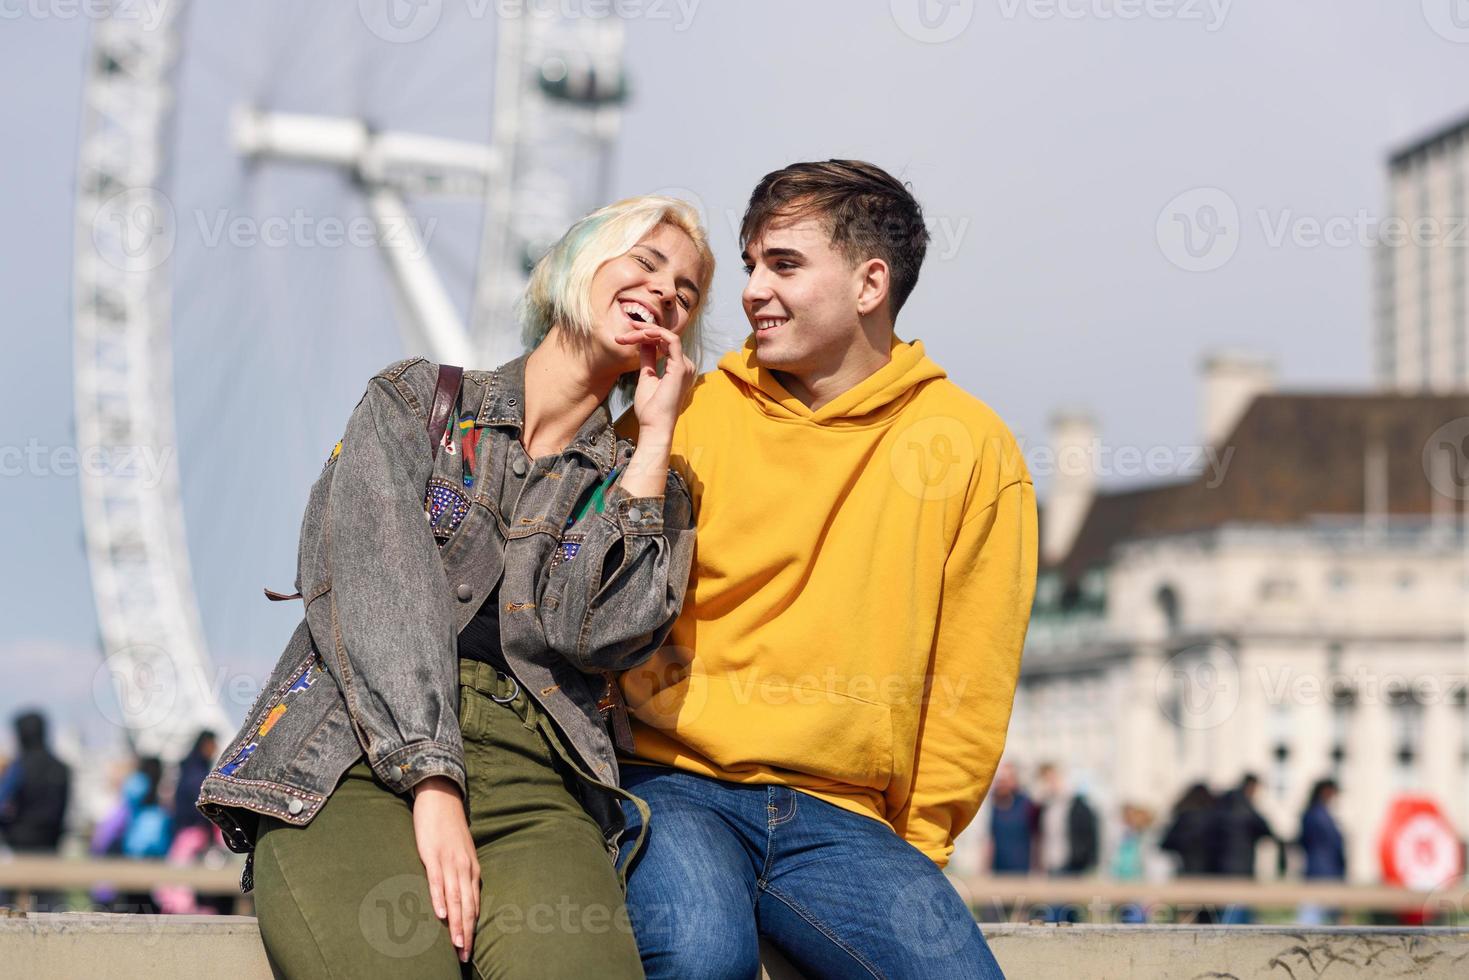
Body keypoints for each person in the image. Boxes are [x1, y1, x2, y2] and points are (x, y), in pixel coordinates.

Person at [197, 195, 711, 977]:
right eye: (646, 261)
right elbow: (376, 595)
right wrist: (432, 781)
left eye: (686, 291)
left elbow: (602, 637)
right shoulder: (414, 406)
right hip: (355, 753)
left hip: (536, 775)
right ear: (578, 264)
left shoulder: (645, 489)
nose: (666, 293)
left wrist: (656, 439)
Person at [614, 160, 1037, 979]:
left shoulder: (971, 447)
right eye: (748, 265)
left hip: (843, 820)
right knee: (701, 961)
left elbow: (971, 676)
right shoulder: (683, 412)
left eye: (783, 263)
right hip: (671, 783)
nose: (749, 291)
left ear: (869, 282)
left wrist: (915, 852)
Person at [0, 710, 71, 912]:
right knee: (50, 910)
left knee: (6, 907)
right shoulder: (61, 768)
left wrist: (8, 828)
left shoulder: (19, 767)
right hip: (49, 847)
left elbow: (2, 800)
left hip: (17, 849)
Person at [1212, 773, 1276, 924]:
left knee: (1228, 911)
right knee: (1237, 912)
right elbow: (1265, 829)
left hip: (1223, 865)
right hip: (1241, 865)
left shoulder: (1223, 805)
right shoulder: (1246, 808)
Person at [1297, 778, 1345, 925]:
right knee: (1312, 921)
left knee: (1316, 919)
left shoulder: (1315, 814)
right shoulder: (1318, 815)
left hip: (1320, 871)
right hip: (1322, 873)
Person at [988, 763, 1036, 875]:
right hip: (998, 868)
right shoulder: (993, 806)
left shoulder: (1026, 804)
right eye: (1001, 779)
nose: (1003, 783)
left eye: (1007, 779)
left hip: (1022, 869)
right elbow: (990, 839)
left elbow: (1036, 837)